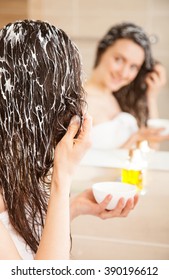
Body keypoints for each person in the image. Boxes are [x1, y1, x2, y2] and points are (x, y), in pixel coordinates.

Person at [0, 20, 138, 260]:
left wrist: (73, 206)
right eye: (62, 92)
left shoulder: (14, 159)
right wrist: (61, 180)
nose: (71, 104)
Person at [85, 22, 169, 149]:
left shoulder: (118, 98)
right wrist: (136, 138)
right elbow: (74, 164)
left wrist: (151, 96)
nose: (124, 73)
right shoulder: (79, 102)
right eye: (119, 59)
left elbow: (152, 148)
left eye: (133, 67)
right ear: (101, 50)